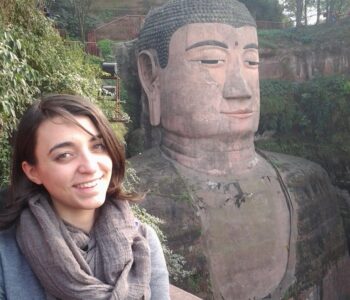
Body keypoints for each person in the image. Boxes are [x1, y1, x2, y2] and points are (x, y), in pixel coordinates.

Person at [129, 0, 350, 299]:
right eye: (210, 60)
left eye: (251, 62)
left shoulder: (309, 183)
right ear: (151, 75)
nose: (241, 88)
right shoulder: (125, 198)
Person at [0, 94, 170, 300]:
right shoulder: (6, 255)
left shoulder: (142, 240)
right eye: (64, 155)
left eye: (98, 146)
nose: (90, 166)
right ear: (32, 172)